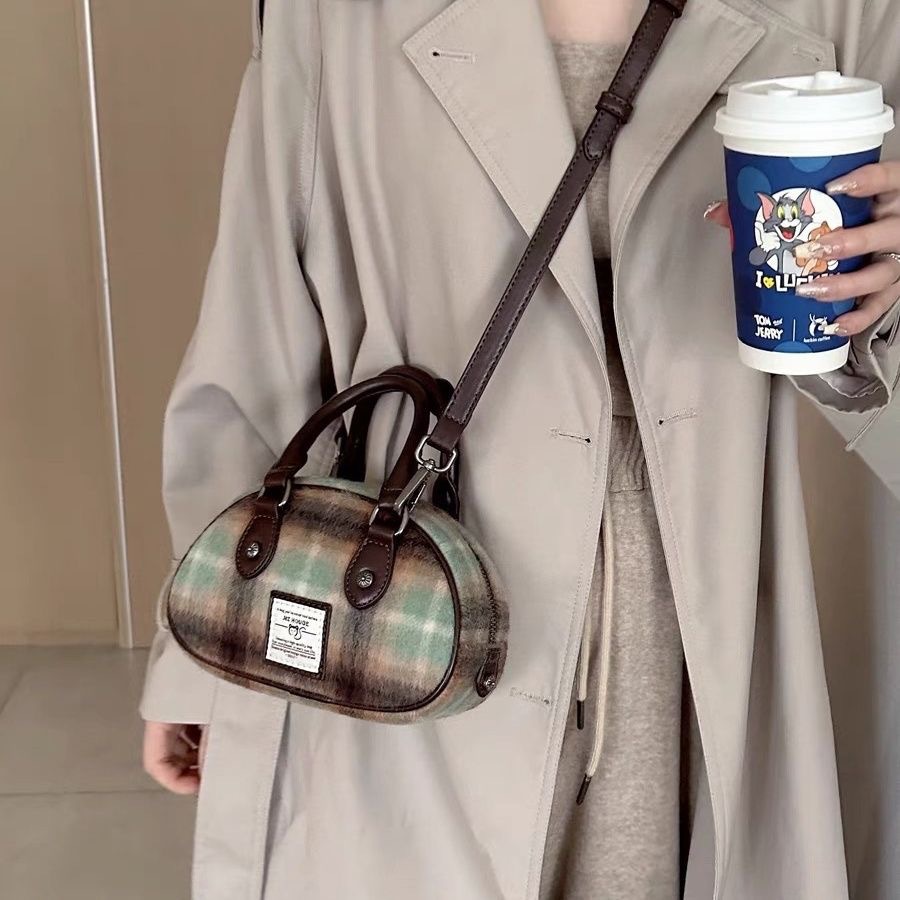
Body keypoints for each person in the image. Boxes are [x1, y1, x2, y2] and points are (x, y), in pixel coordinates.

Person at [141, 1, 900, 898]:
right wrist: (195, 659)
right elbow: (254, 339)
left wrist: (882, 298)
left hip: (713, 614)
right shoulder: (335, 16)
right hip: (408, 600)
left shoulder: (847, 15)